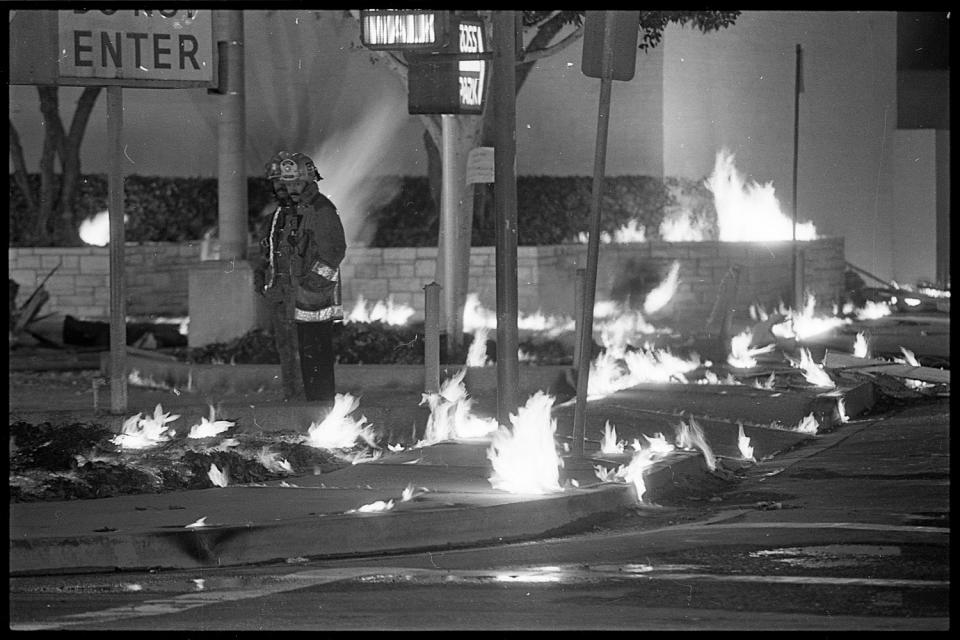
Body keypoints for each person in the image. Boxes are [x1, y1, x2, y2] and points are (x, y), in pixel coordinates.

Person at [255, 151, 346, 402]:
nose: (289, 187)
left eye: (296, 182)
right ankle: (296, 400)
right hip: (289, 294)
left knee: (312, 353)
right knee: (290, 350)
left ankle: (314, 405)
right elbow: (276, 250)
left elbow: (333, 252)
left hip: (310, 300)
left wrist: (310, 288)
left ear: (309, 180)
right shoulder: (290, 212)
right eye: (286, 183)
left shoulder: (321, 210)